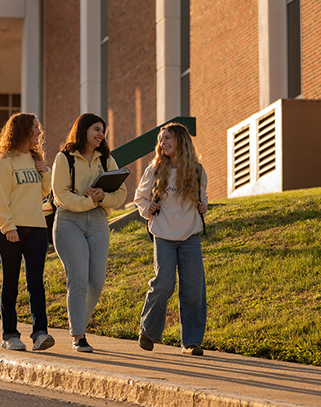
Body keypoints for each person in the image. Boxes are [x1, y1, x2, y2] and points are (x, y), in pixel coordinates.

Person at [51, 113, 128, 352]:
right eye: (96, 129)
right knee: (78, 279)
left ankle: (79, 325)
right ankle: (78, 335)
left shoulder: (106, 160)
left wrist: (102, 197)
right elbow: (60, 194)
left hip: (97, 222)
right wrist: (88, 201)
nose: (100, 134)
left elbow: (121, 194)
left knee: (96, 282)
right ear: (83, 130)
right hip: (69, 221)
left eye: (103, 131)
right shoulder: (64, 158)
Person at [134, 122, 208, 356]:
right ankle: (148, 331)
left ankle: (191, 342)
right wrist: (148, 207)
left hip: (190, 235)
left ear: (180, 141)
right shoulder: (154, 170)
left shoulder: (197, 170)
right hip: (163, 234)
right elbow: (140, 198)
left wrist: (203, 206)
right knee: (164, 284)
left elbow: (203, 198)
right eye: (161, 139)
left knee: (193, 289)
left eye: (167, 138)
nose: (163, 143)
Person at [0, 112, 55, 352]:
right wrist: (9, 227)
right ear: (23, 130)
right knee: (11, 284)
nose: (39, 131)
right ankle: (9, 335)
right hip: (11, 231)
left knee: (36, 283)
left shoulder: (35, 159)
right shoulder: (5, 161)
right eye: (35, 127)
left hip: (37, 229)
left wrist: (44, 172)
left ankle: (40, 334)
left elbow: (43, 193)